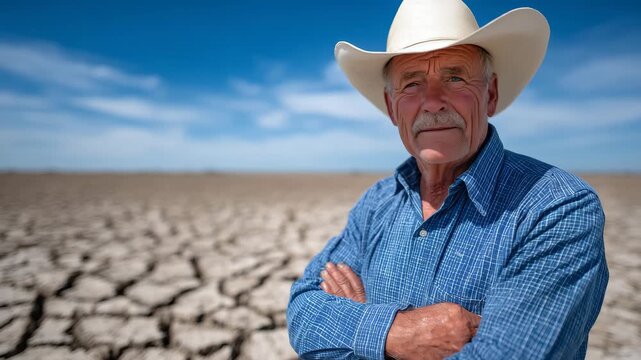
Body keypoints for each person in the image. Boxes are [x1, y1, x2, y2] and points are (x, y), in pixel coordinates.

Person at [286, 0, 609, 359]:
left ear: (490, 94)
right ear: (392, 108)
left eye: (455, 77)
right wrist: (400, 333)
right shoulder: (378, 203)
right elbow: (303, 312)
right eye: (412, 83)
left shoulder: (555, 207)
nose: (433, 102)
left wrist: (358, 331)